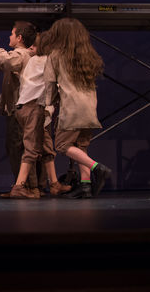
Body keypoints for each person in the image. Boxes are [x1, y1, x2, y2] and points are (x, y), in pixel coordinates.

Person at [42, 17, 112, 198]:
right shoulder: (88, 55)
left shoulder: (55, 55)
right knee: (81, 146)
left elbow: (50, 85)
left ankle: (98, 168)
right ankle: (86, 186)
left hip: (72, 108)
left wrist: (48, 107)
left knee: (62, 145)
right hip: (89, 107)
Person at [1, 33, 71, 199]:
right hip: (34, 108)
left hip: (26, 108)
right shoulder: (47, 62)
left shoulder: (33, 61)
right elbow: (55, 85)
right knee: (31, 148)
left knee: (46, 146)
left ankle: (54, 184)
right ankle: (21, 187)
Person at [0, 21, 39, 197]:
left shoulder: (22, 54)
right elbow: (10, 88)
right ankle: (21, 185)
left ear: (19, 38)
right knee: (14, 148)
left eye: (12, 34)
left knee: (21, 148)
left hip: (20, 110)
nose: (10, 36)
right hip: (14, 109)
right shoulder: (20, 55)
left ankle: (29, 187)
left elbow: (5, 61)